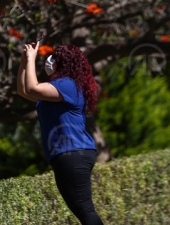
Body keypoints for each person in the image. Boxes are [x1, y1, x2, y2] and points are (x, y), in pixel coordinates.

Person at [17, 42, 104, 225]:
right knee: (83, 212)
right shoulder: (59, 88)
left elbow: (33, 87)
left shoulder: (67, 85)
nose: (50, 60)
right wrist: (24, 62)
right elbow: (24, 91)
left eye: (54, 57)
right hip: (68, 154)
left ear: (63, 62)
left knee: (86, 212)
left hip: (73, 153)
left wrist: (32, 58)